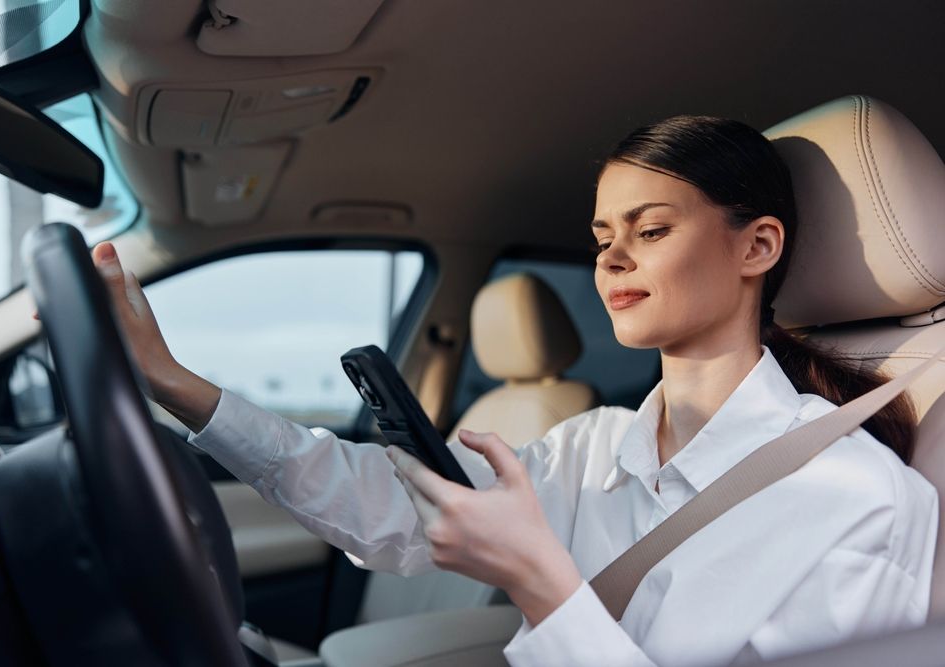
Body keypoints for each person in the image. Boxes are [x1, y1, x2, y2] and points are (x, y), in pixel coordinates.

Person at [92, 116, 938, 666]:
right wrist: (177, 384)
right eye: (603, 236)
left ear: (757, 247)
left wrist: (541, 584)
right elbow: (379, 503)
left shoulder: (857, 496)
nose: (611, 259)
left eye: (650, 230)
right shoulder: (589, 443)